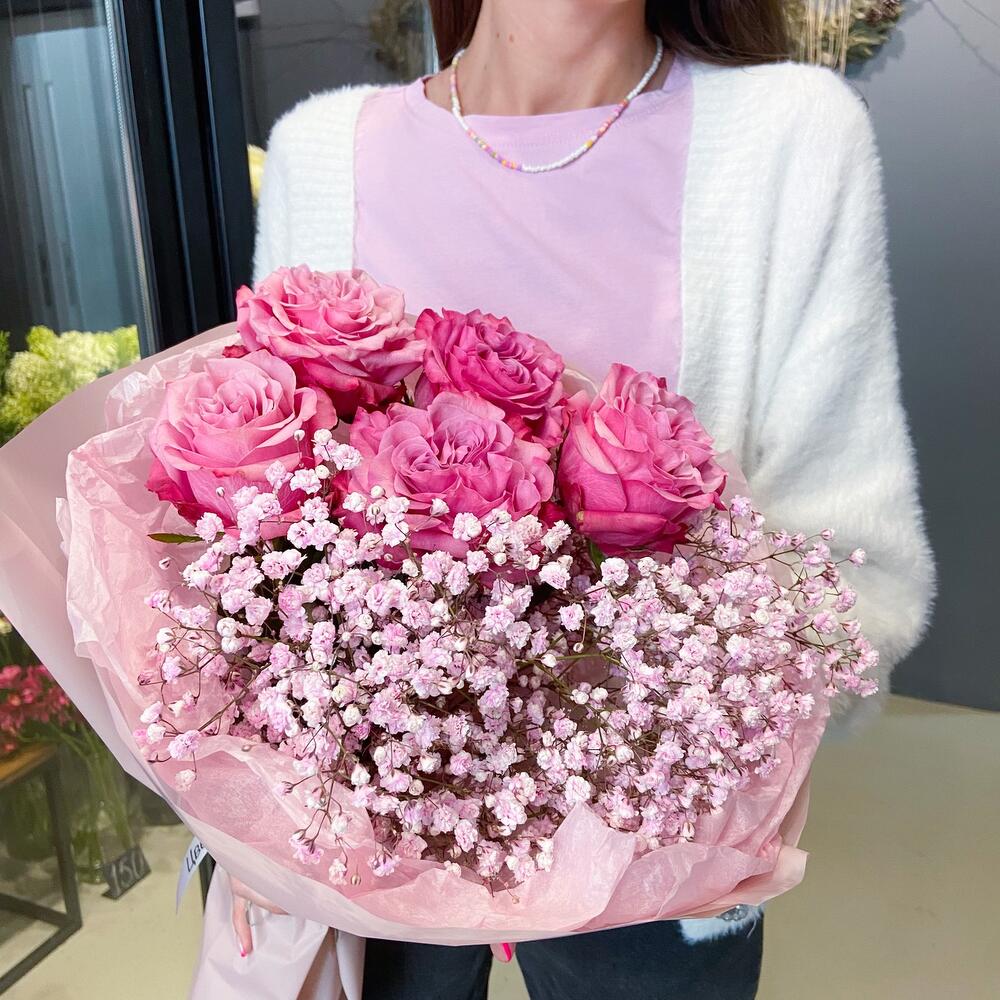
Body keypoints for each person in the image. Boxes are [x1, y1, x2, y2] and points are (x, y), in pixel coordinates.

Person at [231, 1, 936, 997]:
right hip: (365, 817)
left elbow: (850, 554)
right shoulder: (322, 149)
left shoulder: (789, 136)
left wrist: (668, 731)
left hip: (655, 831)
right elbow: (258, 525)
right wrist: (259, 767)